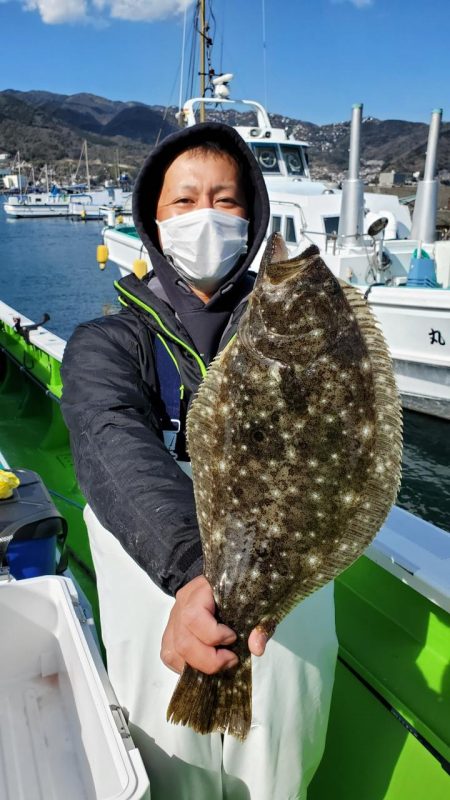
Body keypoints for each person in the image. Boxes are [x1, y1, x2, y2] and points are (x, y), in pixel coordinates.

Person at [61, 121, 338, 800]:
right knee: (168, 766)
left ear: (252, 219)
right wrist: (193, 572)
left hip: (283, 588)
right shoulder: (107, 342)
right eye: (184, 201)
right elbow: (110, 439)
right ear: (154, 224)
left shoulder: (301, 333)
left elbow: (329, 441)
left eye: (225, 200)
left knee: (279, 767)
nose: (205, 216)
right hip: (164, 580)